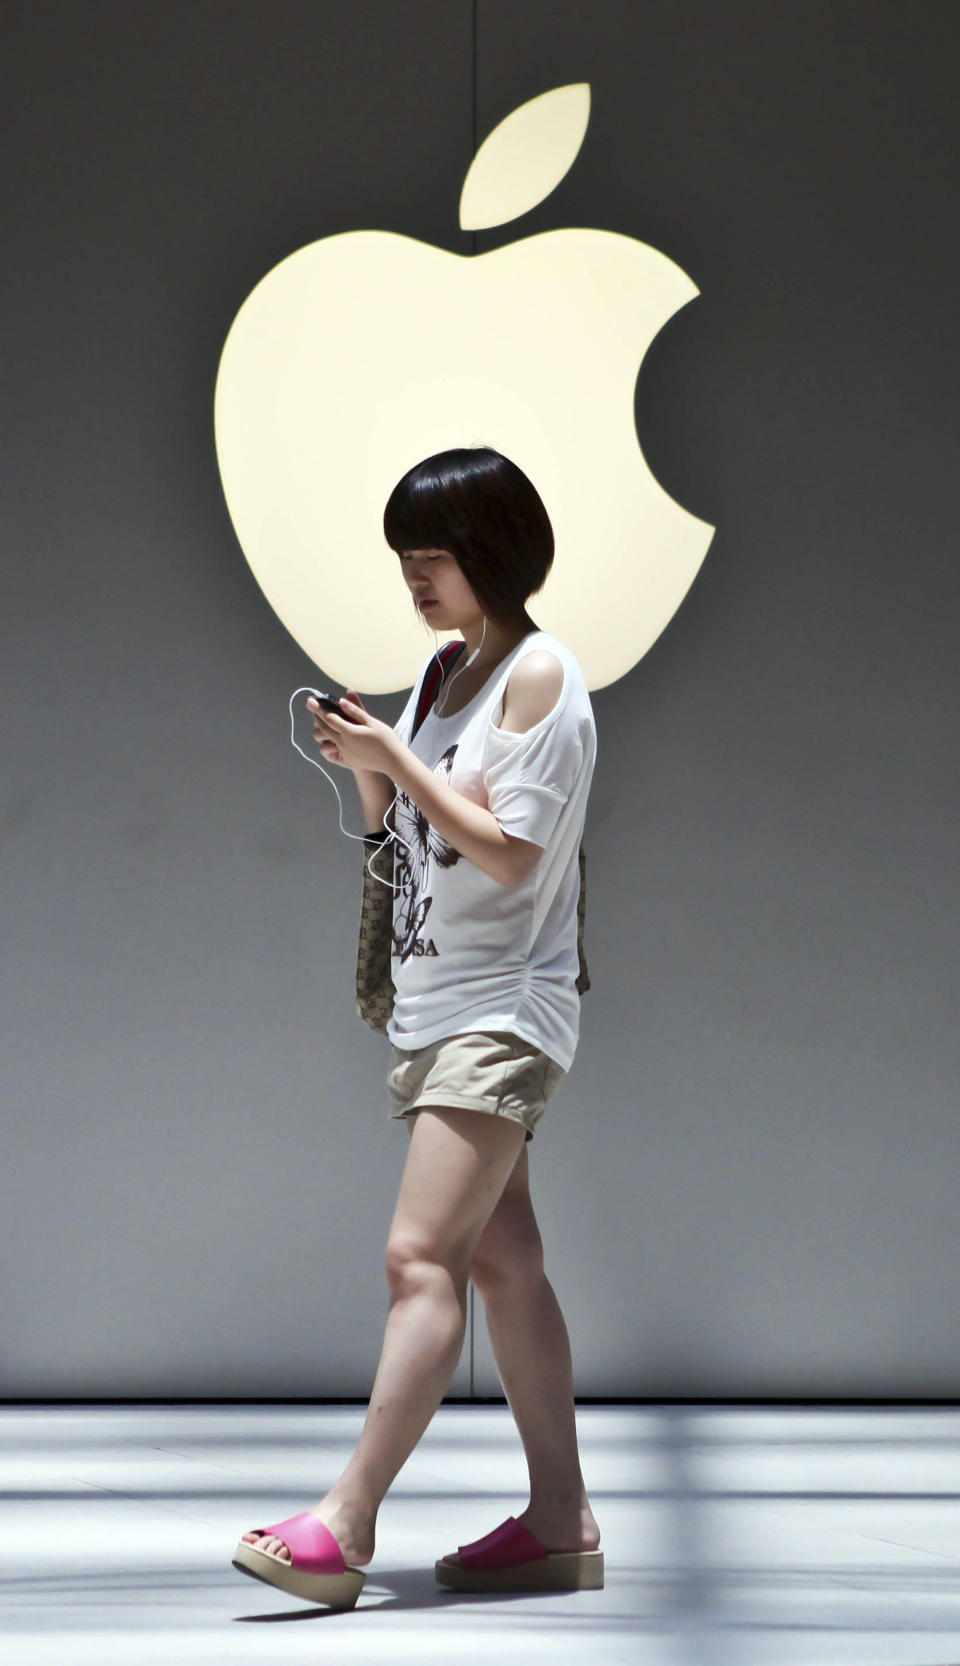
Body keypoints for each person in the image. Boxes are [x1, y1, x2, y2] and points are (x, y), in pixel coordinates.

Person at [233, 446, 602, 1606]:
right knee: (506, 1260)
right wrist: (369, 769)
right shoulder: (447, 673)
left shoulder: (540, 676)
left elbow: (511, 851)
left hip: (506, 1009)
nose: (417, 581)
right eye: (406, 561)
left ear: (492, 549)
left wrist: (397, 756)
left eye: (432, 557)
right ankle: (560, 1521)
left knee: (418, 1257)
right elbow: (418, 834)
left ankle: (346, 1521)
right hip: (441, 1004)